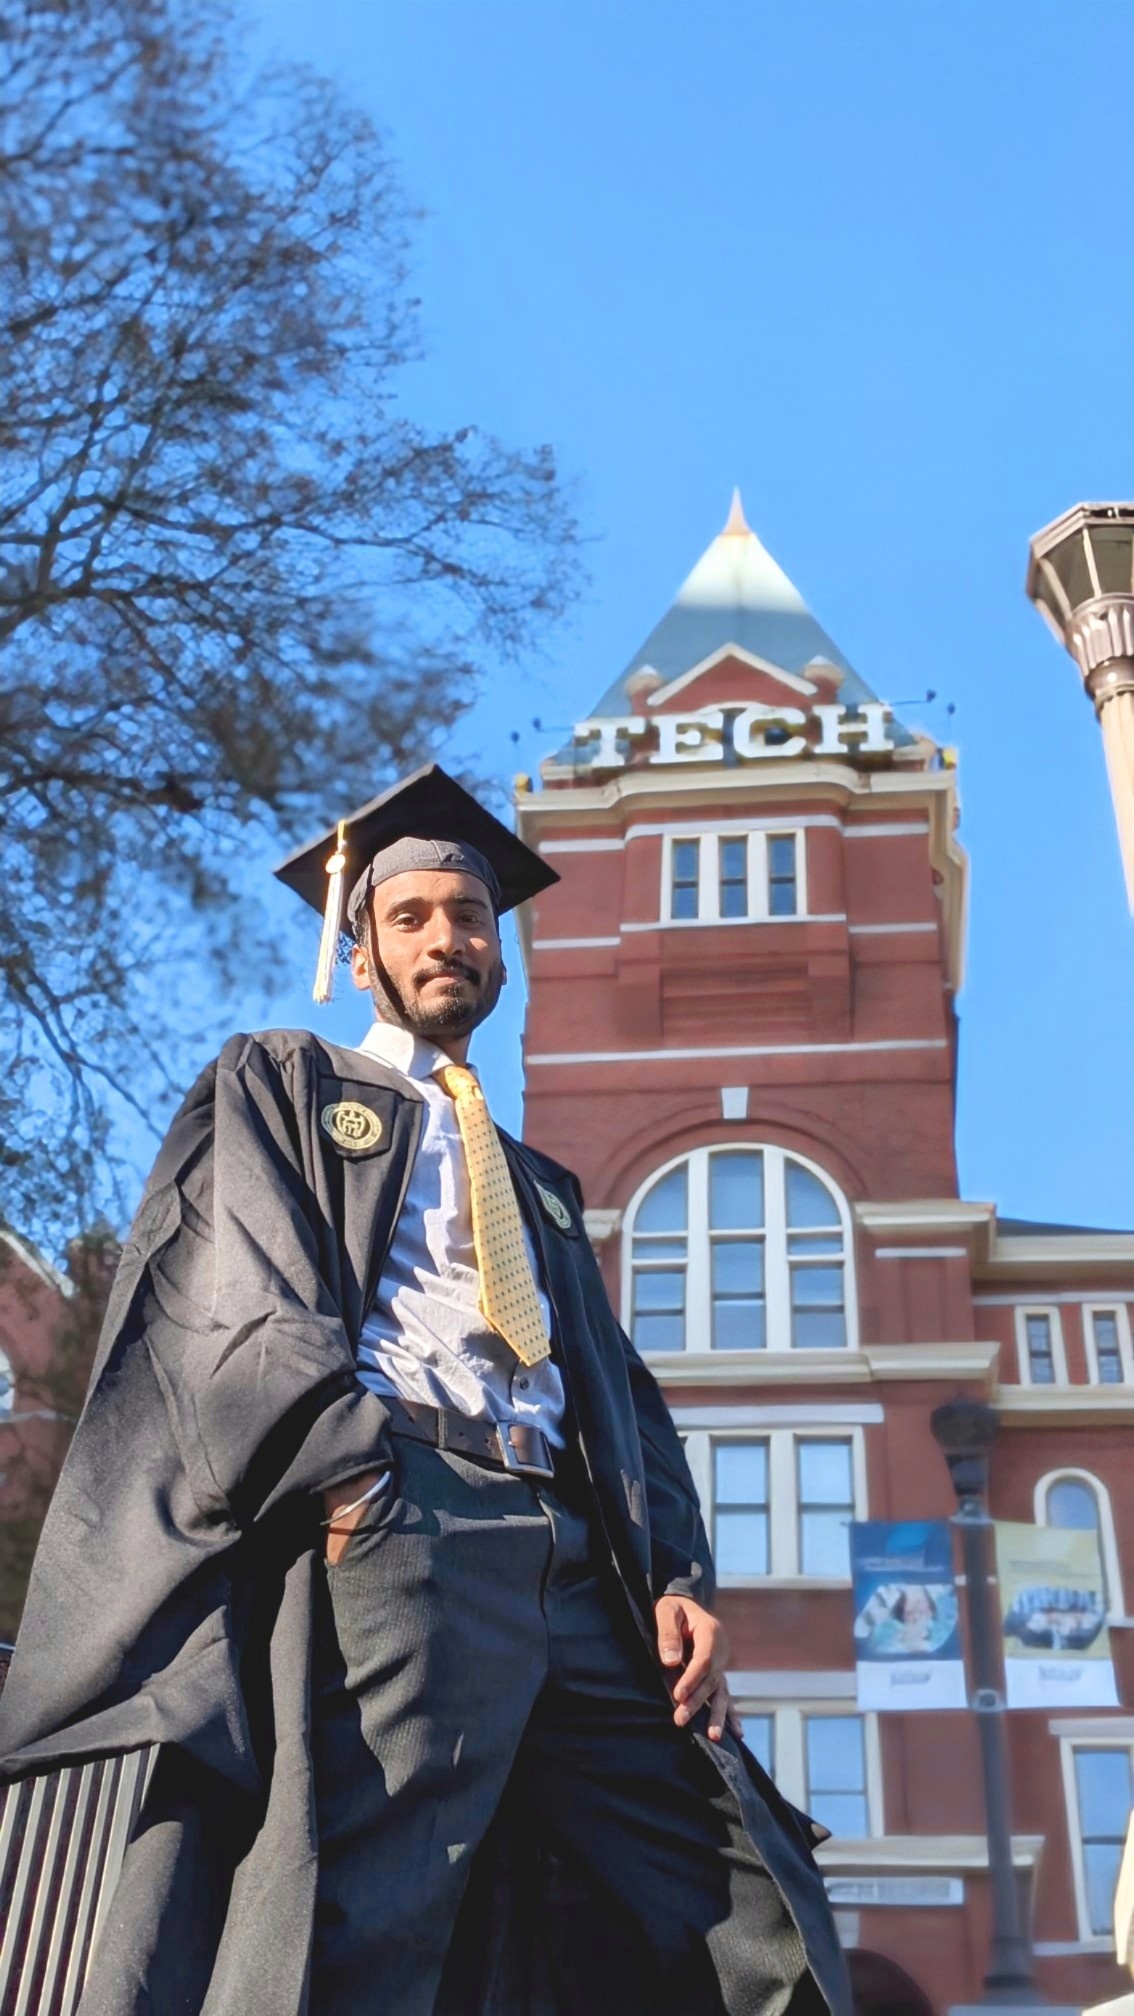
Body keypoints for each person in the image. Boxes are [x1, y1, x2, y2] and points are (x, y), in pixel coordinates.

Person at [0, 765, 851, 2016]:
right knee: (371, 1912)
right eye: (411, 918)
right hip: (410, 1512)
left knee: (740, 1899)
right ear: (359, 951)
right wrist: (348, 1477)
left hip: (578, 1566)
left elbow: (618, 1394)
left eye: (470, 915)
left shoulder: (540, 1183)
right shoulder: (287, 1084)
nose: (448, 937)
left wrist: (677, 1578)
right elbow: (237, 1290)